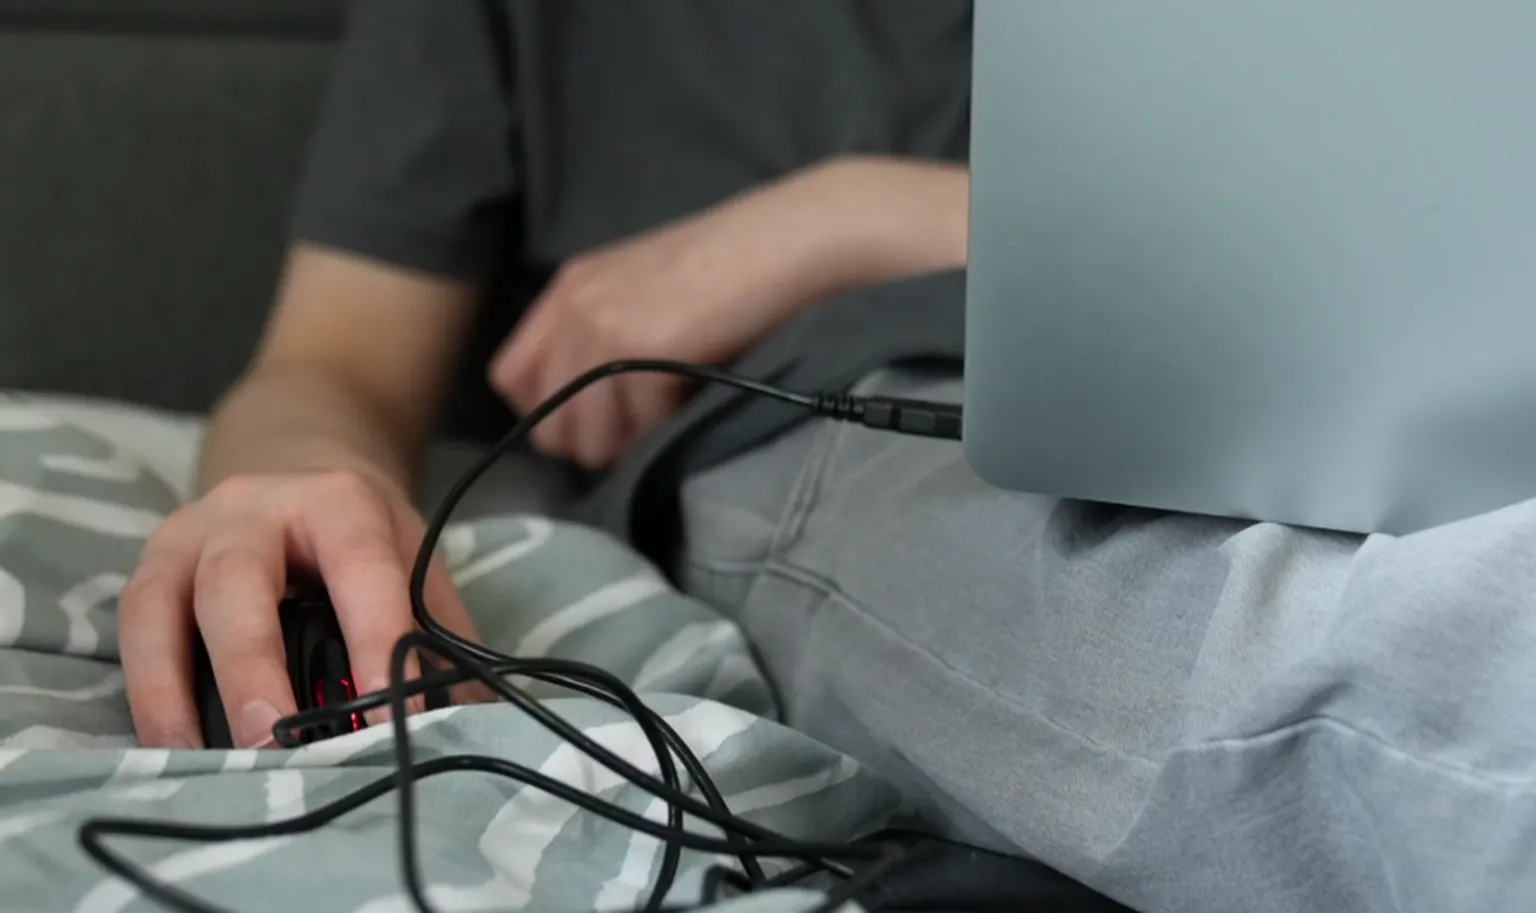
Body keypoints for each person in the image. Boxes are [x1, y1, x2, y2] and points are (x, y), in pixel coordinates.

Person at [114, 3, 1536, 913]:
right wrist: (299, 484)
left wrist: (851, 214)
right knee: (1381, 642)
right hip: (852, 416)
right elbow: (333, 363)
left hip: (1380, 366)